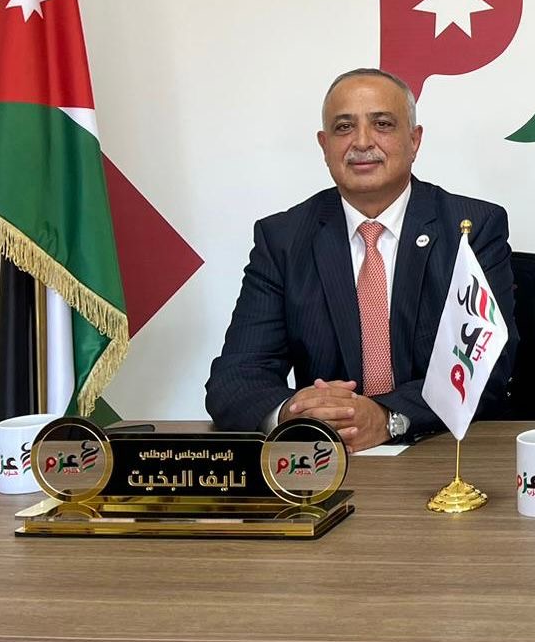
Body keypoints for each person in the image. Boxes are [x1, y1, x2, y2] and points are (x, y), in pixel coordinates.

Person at [205, 68, 517, 449]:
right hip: (326, 458)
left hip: (441, 454)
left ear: (414, 140)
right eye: (344, 127)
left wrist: (386, 417)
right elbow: (235, 378)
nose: (363, 142)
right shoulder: (283, 240)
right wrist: (294, 413)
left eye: (382, 124)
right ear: (324, 146)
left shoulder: (470, 229)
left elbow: (485, 368)